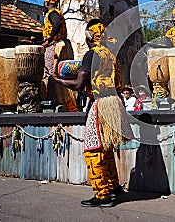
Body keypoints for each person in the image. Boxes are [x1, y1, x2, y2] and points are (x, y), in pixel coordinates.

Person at [52, 18, 129, 208]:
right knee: (107, 148)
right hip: (115, 102)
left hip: (101, 103)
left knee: (93, 149)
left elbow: (79, 84)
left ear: (90, 36)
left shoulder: (91, 54)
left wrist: (58, 80)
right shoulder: (110, 55)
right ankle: (113, 187)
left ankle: (102, 194)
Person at [41, 0, 78, 112]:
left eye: (45, 3)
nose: (44, 5)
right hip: (62, 44)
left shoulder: (52, 13)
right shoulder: (56, 13)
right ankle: (64, 101)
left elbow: (56, 24)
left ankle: (55, 100)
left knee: (52, 73)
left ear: (48, 2)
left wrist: (49, 38)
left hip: (56, 46)